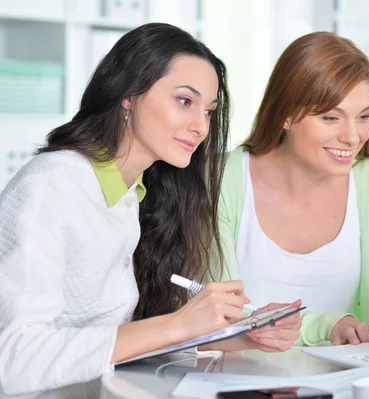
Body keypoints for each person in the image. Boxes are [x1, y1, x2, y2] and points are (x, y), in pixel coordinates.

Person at [0, 23, 300, 398]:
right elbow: (11, 358)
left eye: (209, 111)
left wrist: (242, 335)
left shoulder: (137, 193)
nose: (201, 126)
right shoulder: (51, 185)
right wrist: (177, 325)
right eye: (184, 101)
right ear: (128, 94)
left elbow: (121, 340)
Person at [215, 31, 369, 347]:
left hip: (347, 387)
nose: (352, 136)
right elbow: (219, 315)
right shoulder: (222, 177)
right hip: (238, 386)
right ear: (286, 114)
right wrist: (327, 325)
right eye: (331, 117)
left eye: (363, 117)